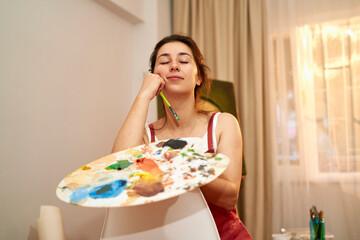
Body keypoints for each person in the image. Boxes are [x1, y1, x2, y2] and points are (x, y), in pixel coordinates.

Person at [112, 34, 253, 240]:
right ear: (154, 76)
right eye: (164, 62)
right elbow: (118, 169)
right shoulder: (146, 135)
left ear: (199, 77)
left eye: (184, 60)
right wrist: (144, 96)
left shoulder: (223, 123)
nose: (174, 66)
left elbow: (229, 197)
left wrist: (184, 166)